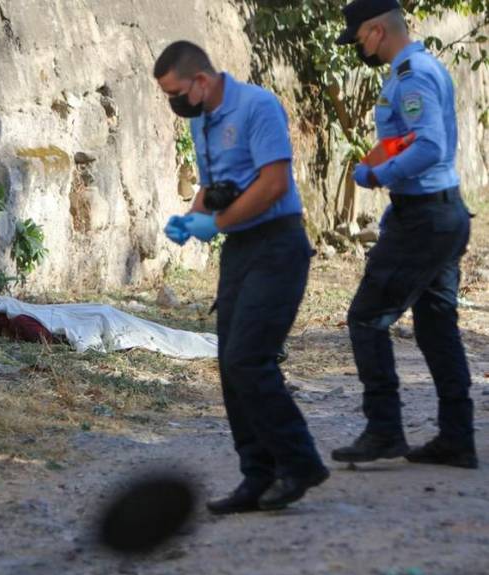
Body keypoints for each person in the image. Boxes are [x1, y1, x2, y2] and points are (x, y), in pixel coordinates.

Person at [155, 41, 329, 512]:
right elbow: (215, 188)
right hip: (240, 250)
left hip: (278, 244)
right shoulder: (200, 119)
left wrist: (218, 223)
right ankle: (257, 475)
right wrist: (191, 218)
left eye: (174, 91)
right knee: (232, 365)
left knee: (249, 358)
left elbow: (273, 185)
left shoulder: (258, 107)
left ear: (202, 81)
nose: (172, 101)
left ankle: (301, 463)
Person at [332, 0, 476, 469]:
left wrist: (377, 176)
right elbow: (408, 137)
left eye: (357, 41)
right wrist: (376, 158)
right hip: (440, 215)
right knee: (436, 328)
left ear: (375, 31)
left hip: (424, 220)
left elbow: (430, 145)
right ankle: (457, 439)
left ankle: (384, 430)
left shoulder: (411, 74)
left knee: (366, 318)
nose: (359, 50)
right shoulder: (413, 69)